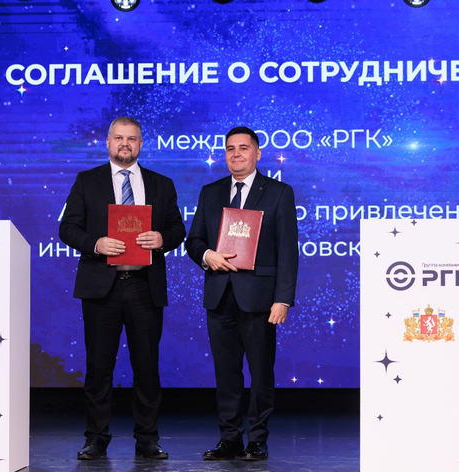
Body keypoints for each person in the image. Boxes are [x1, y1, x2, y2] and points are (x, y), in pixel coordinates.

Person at [59, 116, 186, 461]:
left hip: (145, 286)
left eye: (131, 139)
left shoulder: (161, 184)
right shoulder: (87, 181)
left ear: (140, 144)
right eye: (119, 138)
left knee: (147, 368)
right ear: (108, 142)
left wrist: (162, 238)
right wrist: (96, 243)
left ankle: (147, 440)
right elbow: (67, 228)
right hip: (102, 287)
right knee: (99, 369)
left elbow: (177, 228)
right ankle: (96, 439)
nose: (125, 144)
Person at [186, 126, 299, 461]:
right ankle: (230, 439)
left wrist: (283, 299)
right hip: (219, 295)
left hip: (260, 299)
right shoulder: (210, 192)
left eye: (243, 148)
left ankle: (258, 440)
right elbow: (194, 241)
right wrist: (207, 256)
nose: (236, 154)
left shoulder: (278, 192)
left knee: (261, 373)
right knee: (226, 374)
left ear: (257, 153)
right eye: (230, 149)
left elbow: (287, 251)